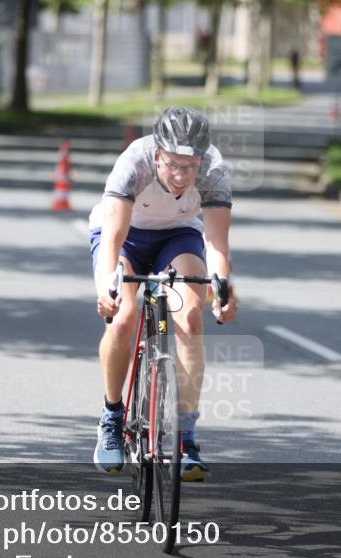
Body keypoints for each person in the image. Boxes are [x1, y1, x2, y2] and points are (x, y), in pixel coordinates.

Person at [89, 107, 238, 481]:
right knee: (123, 319)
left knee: (190, 317)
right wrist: (108, 290)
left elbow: (217, 244)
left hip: (177, 235)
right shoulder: (134, 162)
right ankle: (112, 415)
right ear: (158, 154)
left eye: (190, 167)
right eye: (172, 164)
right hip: (128, 237)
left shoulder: (214, 171)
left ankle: (186, 437)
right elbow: (113, 239)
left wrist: (223, 291)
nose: (180, 176)